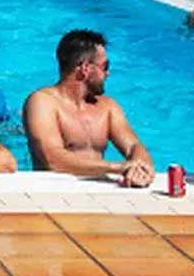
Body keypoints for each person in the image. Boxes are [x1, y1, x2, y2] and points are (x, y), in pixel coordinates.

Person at [22, 30, 153, 187]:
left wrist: (141, 167)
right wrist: (117, 168)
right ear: (85, 68)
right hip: (57, 192)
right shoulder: (42, 102)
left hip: (99, 192)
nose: (108, 73)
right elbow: (52, 159)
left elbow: (134, 146)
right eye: (105, 66)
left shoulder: (108, 107)